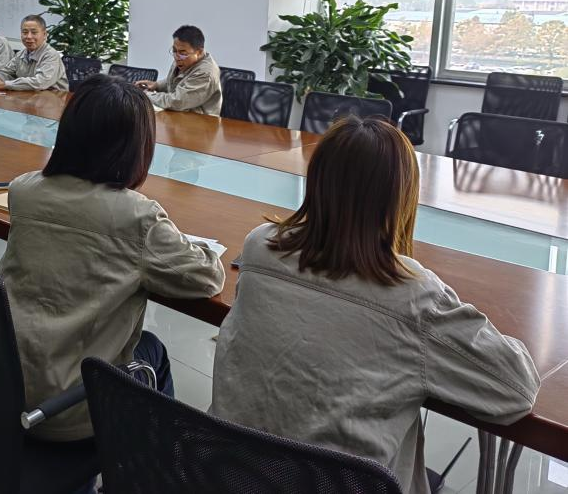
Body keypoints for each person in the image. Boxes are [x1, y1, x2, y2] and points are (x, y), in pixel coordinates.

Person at [209, 116, 540, 494]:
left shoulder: (260, 246)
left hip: (233, 476)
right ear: (400, 198)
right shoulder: (412, 294)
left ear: (317, 181)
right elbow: (515, 389)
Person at [0, 73, 226, 443]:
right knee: (153, 350)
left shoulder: (23, 189)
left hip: (4, 379)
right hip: (71, 408)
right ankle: (144, 461)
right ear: (136, 146)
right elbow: (207, 277)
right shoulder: (136, 216)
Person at [136, 25, 221, 115]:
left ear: (199, 52)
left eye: (182, 53)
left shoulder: (206, 73)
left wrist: (147, 95)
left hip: (201, 120)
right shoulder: (182, 58)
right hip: (179, 115)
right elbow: (176, 81)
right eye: (174, 50)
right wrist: (156, 85)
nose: (176, 57)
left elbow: (177, 101)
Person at [0, 15, 68, 92]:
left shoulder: (51, 55)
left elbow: (40, 82)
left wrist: (4, 85)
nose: (29, 36)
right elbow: (6, 72)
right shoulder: (20, 55)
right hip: (30, 98)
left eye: (34, 32)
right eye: (25, 32)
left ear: (45, 34)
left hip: (53, 100)